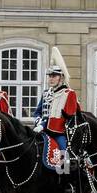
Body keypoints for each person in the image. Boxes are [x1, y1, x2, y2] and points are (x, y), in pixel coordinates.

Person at [33, 47, 77, 175]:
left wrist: (43, 124)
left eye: (54, 76)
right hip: (42, 131)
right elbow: (38, 112)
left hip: (59, 132)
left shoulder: (68, 93)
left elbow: (69, 116)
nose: (51, 79)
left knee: (65, 153)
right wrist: (38, 122)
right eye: (50, 76)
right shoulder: (46, 93)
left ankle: (68, 181)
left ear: (61, 78)